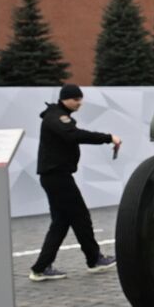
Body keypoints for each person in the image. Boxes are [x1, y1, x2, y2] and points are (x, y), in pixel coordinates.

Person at [28, 84, 120, 281]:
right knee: (81, 217)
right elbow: (74, 135)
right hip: (58, 177)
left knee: (61, 222)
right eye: (76, 99)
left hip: (54, 176)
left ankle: (41, 268)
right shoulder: (57, 117)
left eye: (81, 99)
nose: (80, 103)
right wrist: (108, 138)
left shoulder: (56, 116)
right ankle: (94, 260)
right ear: (65, 99)